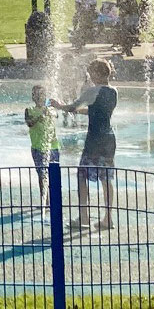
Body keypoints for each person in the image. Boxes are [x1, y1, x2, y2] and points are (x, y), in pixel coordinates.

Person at [51, 59, 117, 230]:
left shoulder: (93, 91)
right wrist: (79, 111)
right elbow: (97, 111)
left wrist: (58, 105)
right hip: (109, 138)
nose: (89, 77)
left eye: (90, 73)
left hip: (94, 139)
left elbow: (72, 107)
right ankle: (108, 218)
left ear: (96, 73)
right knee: (106, 178)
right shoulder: (113, 91)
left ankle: (84, 217)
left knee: (82, 176)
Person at [24, 84, 58, 204]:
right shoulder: (29, 110)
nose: (39, 97)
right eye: (36, 94)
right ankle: (45, 200)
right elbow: (29, 123)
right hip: (38, 147)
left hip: (53, 146)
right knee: (42, 174)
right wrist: (39, 117)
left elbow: (58, 116)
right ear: (33, 97)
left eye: (42, 94)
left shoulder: (51, 110)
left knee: (53, 173)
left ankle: (55, 200)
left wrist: (55, 107)